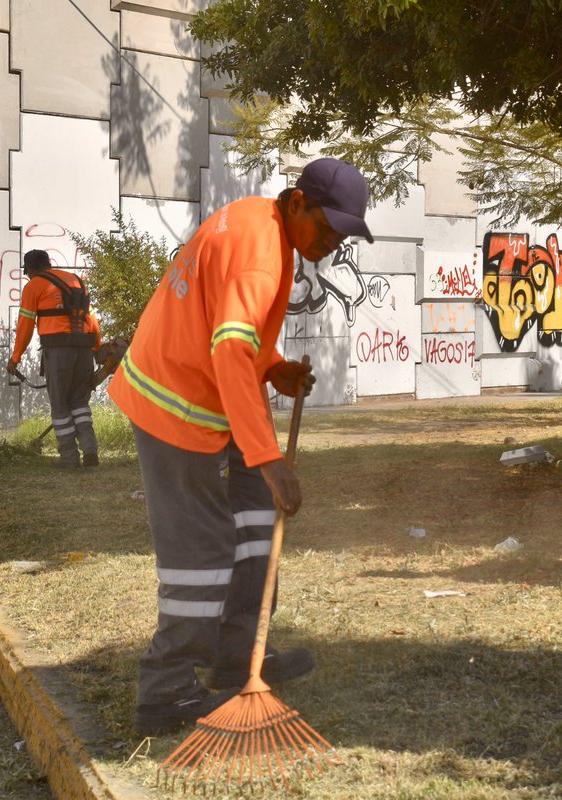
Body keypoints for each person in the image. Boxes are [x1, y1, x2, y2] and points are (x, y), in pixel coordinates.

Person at [108, 158, 375, 736]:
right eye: (326, 228)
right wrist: (268, 456)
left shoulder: (265, 225)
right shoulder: (261, 251)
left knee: (257, 520)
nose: (329, 244)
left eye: (341, 237)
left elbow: (236, 334)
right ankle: (166, 687)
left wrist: (274, 367)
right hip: (174, 399)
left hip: (214, 397)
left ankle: (239, 653)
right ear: (297, 201)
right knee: (201, 548)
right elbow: (230, 349)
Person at [10, 249, 103, 468]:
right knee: (80, 402)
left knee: (60, 404)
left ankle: (69, 458)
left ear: (31, 269)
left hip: (59, 351)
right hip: (84, 349)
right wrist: (98, 348)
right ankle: (90, 450)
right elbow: (91, 318)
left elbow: (25, 326)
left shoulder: (33, 286)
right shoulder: (75, 280)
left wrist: (15, 358)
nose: (28, 277)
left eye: (27, 272)